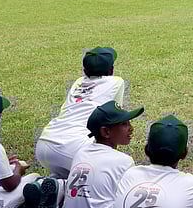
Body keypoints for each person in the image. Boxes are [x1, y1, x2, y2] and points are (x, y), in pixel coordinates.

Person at [55, 101, 143, 208]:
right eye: (124, 124)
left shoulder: (80, 153)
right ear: (106, 132)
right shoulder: (124, 161)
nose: (131, 128)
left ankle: (56, 188)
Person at [34, 47, 128, 181]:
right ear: (111, 70)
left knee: (64, 179)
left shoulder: (78, 82)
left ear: (84, 70)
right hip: (75, 147)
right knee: (103, 176)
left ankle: (53, 185)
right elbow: (114, 118)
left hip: (45, 142)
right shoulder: (116, 81)